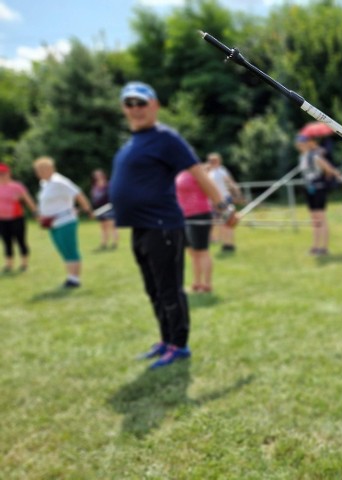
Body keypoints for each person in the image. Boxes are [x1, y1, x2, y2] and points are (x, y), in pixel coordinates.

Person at [110, 81, 236, 369]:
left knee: (169, 289)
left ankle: (179, 345)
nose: (135, 109)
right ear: (123, 109)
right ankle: (166, 340)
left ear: (154, 105)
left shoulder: (166, 138)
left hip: (163, 226)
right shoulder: (132, 142)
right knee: (153, 290)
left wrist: (224, 207)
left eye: (141, 103)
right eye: (129, 104)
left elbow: (199, 174)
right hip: (140, 227)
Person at [33, 156, 93, 288]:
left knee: (69, 248)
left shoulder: (59, 181)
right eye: (37, 170)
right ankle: (70, 276)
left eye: (41, 169)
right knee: (62, 249)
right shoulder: (44, 184)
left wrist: (87, 209)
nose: (38, 173)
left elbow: (78, 194)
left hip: (65, 220)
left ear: (50, 169)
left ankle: (74, 279)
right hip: (51, 222)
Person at [295, 133, 342, 256]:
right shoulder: (302, 157)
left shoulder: (315, 156)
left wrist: (328, 179)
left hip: (318, 189)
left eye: (302, 143)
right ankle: (315, 246)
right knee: (314, 219)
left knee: (321, 218)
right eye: (299, 144)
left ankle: (324, 247)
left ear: (308, 144)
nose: (300, 146)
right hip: (309, 189)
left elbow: (329, 169)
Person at [176, 168, 214, 293]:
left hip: (199, 213)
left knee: (202, 250)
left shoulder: (197, 171)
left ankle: (207, 285)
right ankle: (197, 283)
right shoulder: (180, 173)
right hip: (184, 216)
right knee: (192, 252)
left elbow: (210, 189)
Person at [0, 162, 38, 273]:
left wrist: (35, 212)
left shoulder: (17, 186)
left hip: (16, 218)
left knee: (21, 241)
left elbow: (28, 200)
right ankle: (9, 264)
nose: (2, 176)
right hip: (2, 219)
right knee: (6, 242)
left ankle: (24, 264)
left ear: (9, 173)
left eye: (3, 173)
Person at [206, 152, 242, 253]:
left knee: (227, 222)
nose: (212, 162)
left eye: (214, 160)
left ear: (218, 161)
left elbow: (230, 182)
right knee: (215, 221)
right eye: (210, 160)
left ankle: (228, 244)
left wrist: (237, 193)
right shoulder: (209, 172)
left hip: (224, 199)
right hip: (213, 201)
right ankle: (215, 239)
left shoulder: (222, 171)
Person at [90, 168, 119, 250]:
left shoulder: (108, 185)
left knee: (112, 226)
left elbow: (113, 195)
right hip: (99, 209)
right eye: (96, 175)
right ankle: (104, 243)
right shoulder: (94, 187)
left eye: (99, 175)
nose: (97, 176)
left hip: (109, 208)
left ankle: (114, 243)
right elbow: (94, 198)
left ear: (103, 175)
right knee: (103, 227)